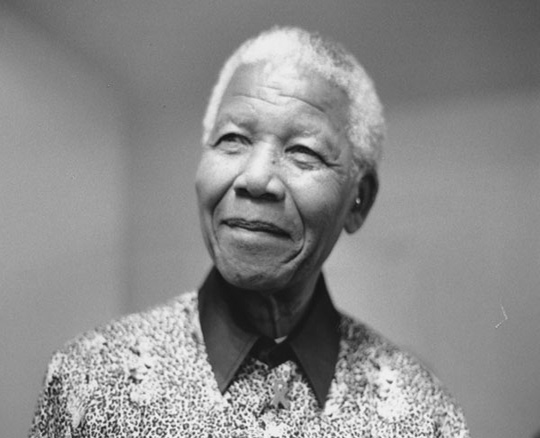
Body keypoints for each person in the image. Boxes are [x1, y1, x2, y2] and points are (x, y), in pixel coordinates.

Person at [29, 26, 469, 437]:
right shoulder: (90, 383)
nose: (256, 179)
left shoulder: (420, 415)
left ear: (360, 200)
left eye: (303, 151)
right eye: (233, 139)